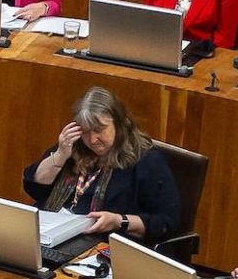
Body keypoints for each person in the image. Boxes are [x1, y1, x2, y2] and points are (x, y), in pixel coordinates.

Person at [22, 86, 179, 242]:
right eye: (85, 131)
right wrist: (60, 155)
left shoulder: (147, 160)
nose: (92, 140)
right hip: (52, 234)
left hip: (102, 243)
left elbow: (166, 223)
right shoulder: (74, 146)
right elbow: (34, 188)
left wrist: (119, 221)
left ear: (120, 123)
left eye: (99, 130)